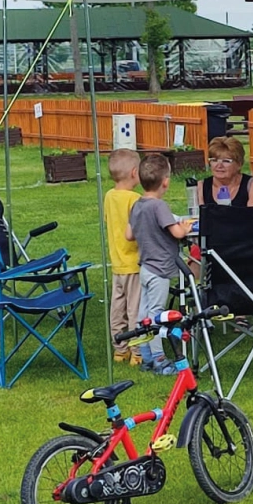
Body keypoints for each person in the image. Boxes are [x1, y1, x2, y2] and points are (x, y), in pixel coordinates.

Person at [125, 154, 195, 376]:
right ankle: (159, 360)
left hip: (145, 267)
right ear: (165, 181)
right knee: (157, 316)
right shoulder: (159, 206)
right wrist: (183, 228)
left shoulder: (137, 205)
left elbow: (128, 235)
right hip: (160, 269)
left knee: (143, 314)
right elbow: (175, 232)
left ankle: (145, 356)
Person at [103, 149, 143, 367]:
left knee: (117, 306)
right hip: (133, 262)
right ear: (135, 173)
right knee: (135, 307)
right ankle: (138, 351)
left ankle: (120, 349)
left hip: (116, 262)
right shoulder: (135, 199)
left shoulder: (109, 196)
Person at [197, 136, 253, 208]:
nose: (219, 165)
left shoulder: (252, 185)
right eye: (214, 160)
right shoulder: (201, 186)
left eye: (226, 161)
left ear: (239, 164)